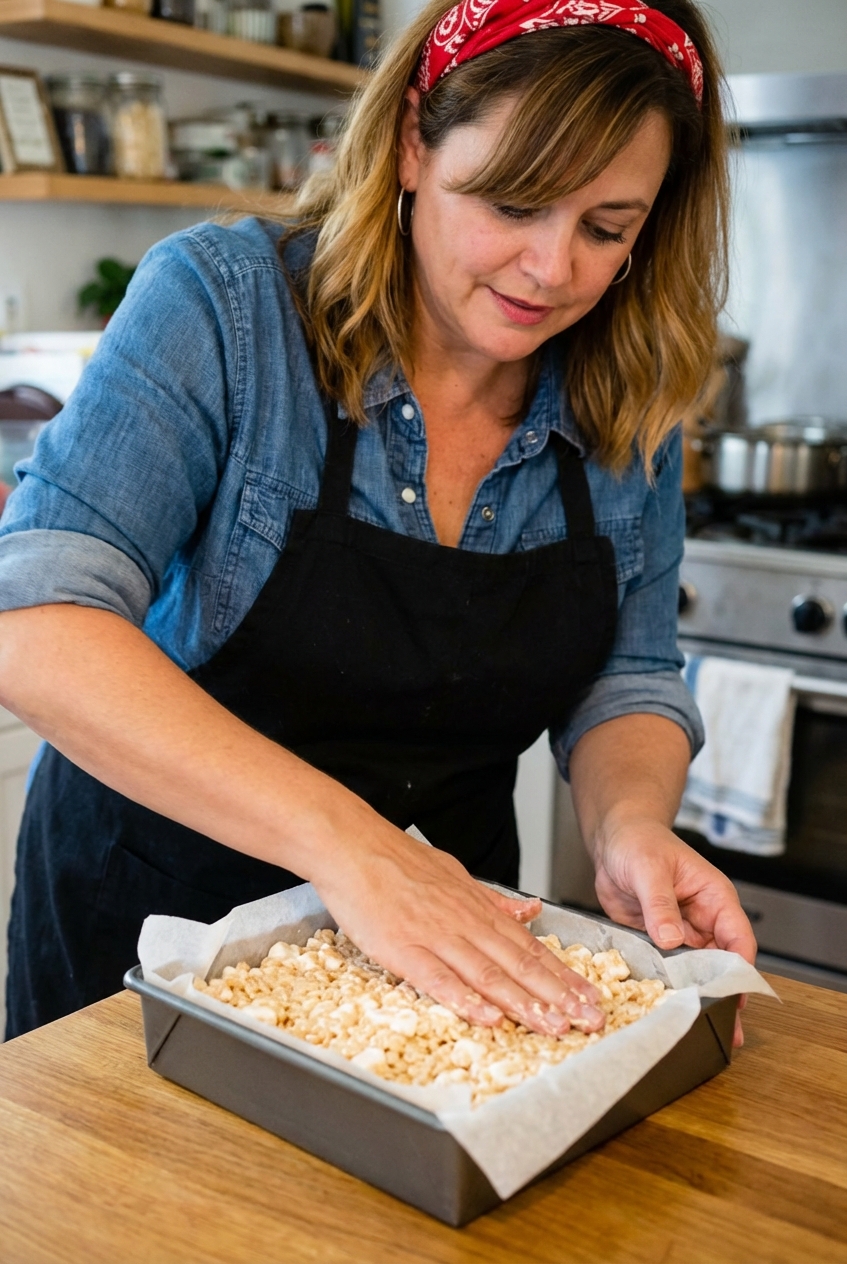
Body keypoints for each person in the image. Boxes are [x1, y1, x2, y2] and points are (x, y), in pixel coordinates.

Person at [0, 0, 756, 1043]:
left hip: (444, 973)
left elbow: (626, 674)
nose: (551, 269)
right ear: (411, 143)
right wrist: (358, 852)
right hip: (146, 935)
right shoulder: (227, 310)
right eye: (512, 202)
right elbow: (34, 623)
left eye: (605, 229)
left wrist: (625, 824)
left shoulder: (626, 391)